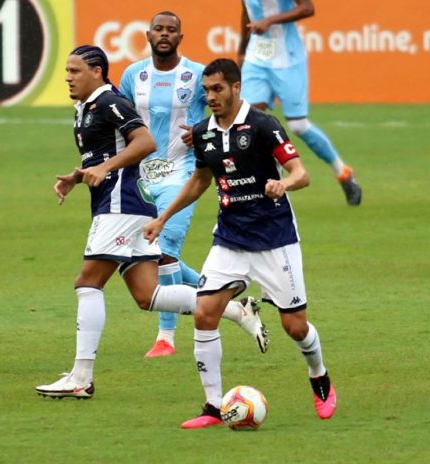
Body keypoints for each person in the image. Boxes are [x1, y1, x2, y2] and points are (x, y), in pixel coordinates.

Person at [35, 46, 268, 400]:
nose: (68, 77)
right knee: (148, 295)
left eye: (75, 70)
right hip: (126, 203)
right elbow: (103, 156)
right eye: (67, 71)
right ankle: (235, 309)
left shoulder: (110, 102)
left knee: (88, 283)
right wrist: (78, 175)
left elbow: (145, 142)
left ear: (97, 72)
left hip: (120, 205)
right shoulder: (86, 109)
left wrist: (104, 169)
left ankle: (81, 376)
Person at [144, 58, 337, 428]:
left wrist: (285, 184)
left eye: (218, 89)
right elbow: (200, 180)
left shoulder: (264, 126)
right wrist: (163, 217)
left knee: (295, 327)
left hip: (274, 239)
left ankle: (320, 377)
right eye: (206, 91)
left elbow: (302, 172)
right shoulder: (203, 132)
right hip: (229, 239)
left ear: (236, 87)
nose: (211, 97)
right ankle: (213, 407)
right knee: (204, 313)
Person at [119, 11, 206, 357]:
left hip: (181, 174)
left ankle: (166, 338)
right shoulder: (133, 75)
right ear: (148, 34)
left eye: (171, 30)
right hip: (142, 178)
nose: (165, 34)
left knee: (166, 252)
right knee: (150, 253)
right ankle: (221, 293)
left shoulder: (197, 75)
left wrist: (199, 132)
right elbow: (121, 119)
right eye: (159, 29)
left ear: (180, 38)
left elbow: (222, 109)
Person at [237, 0, 362, 206]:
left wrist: (269, 20)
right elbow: (246, 11)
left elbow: (307, 8)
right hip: (257, 56)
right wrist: (242, 48)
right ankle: (259, 185)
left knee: (298, 125)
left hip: (289, 58)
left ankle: (343, 172)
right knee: (247, 120)